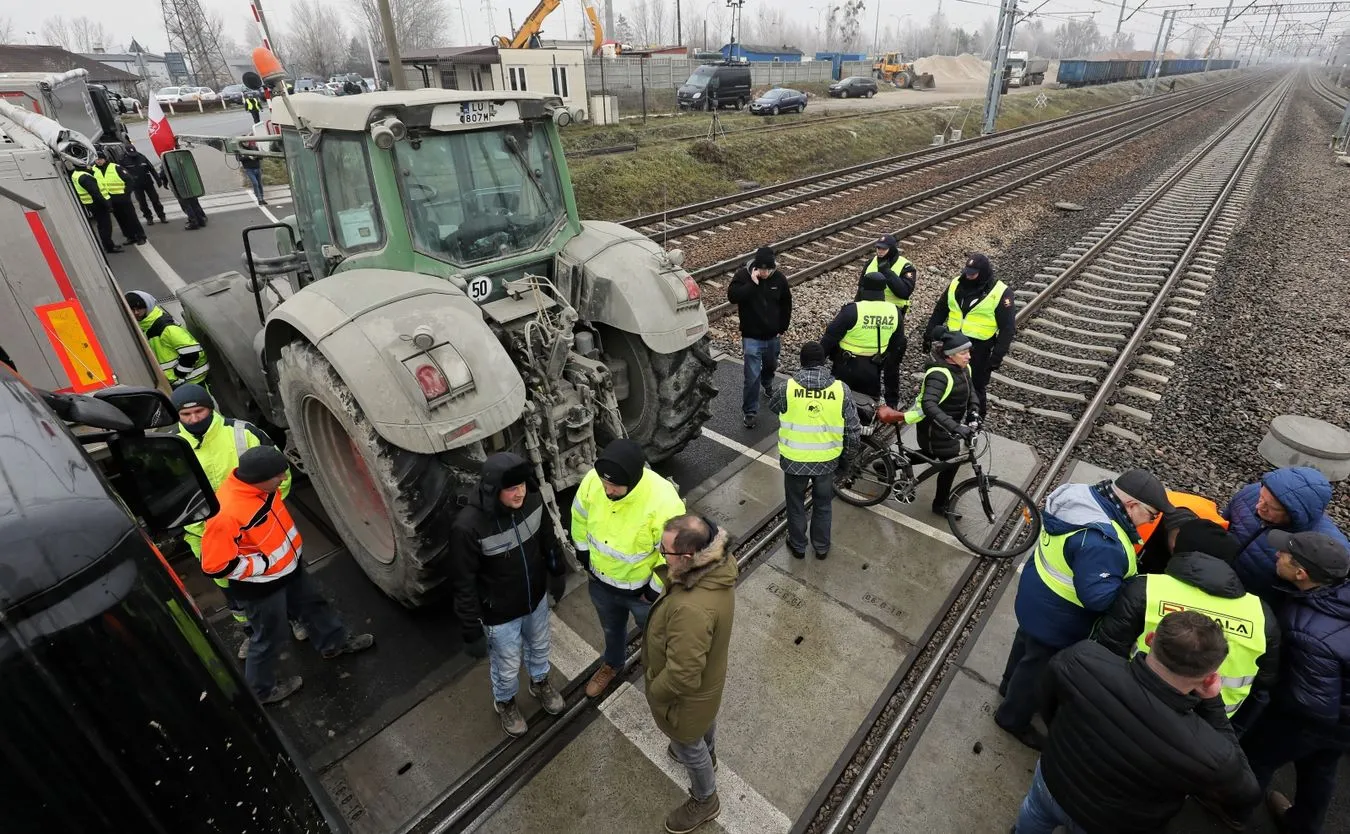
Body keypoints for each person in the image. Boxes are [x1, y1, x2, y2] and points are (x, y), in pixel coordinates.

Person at [1013, 611, 1260, 834]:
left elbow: (1047, 702)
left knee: (1032, 817)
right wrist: (1213, 705)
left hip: (1052, 780)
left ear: (1151, 639)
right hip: (1112, 823)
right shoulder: (1212, 751)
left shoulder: (1082, 658)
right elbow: (1246, 793)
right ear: (1209, 678)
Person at [997, 468, 1171, 749]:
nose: (1150, 522)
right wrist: (1131, 589)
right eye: (1151, 515)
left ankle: (1008, 686)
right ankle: (1012, 718)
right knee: (1038, 669)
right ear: (1132, 505)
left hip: (1037, 593)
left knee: (1025, 646)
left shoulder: (1077, 495)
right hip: (1060, 617)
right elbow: (1098, 598)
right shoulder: (1103, 542)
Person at [200, 446, 374, 703]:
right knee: (269, 637)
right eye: (278, 476)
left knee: (315, 606)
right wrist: (263, 567)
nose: (283, 479)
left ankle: (333, 645)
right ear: (258, 479)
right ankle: (262, 692)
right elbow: (214, 564)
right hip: (261, 587)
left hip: (290, 569)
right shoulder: (225, 513)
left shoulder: (261, 489)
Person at [1094, 518, 1280, 733]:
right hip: (1204, 729)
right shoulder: (1261, 614)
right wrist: (1230, 735)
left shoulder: (1147, 589)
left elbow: (1107, 648)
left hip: (1131, 705)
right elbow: (1262, 690)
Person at [172, 383, 307, 660]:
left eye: (199, 411)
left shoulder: (242, 433)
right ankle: (254, 635)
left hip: (258, 532)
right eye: (186, 415)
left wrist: (262, 515)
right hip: (210, 537)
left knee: (281, 578)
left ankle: (296, 619)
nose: (194, 419)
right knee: (235, 596)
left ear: (210, 408)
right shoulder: (172, 446)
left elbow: (280, 474)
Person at [1238, 531, 1350, 834]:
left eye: (1283, 555)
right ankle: (1303, 825)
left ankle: (1234, 812)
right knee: (1321, 771)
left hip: (1312, 720)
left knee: (1257, 758)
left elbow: (1310, 704)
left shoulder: (1306, 630)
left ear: (1301, 574)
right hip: (1343, 721)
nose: (1276, 556)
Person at [450, 453, 568, 737]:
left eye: (522, 486)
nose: (520, 493)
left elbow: (549, 541)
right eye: (512, 488)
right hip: (499, 615)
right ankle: (504, 701)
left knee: (540, 647)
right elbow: (463, 582)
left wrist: (557, 572)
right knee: (507, 664)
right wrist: (470, 629)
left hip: (535, 601)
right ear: (493, 490)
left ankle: (539, 683)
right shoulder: (468, 528)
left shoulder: (533, 501)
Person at [571, 438, 686, 698]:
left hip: (642, 595)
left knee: (657, 636)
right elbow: (579, 515)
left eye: (614, 487)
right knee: (612, 630)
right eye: (604, 483)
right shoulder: (593, 481)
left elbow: (674, 555)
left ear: (633, 481)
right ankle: (612, 664)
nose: (607, 490)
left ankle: (661, 675)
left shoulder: (664, 502)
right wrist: (583, 552)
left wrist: (655, 590)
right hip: (601, 584)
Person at [643, 514, 736, 834]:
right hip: (705, 691)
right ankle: (708, 756)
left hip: (685, 699)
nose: (661, 555)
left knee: (687, 744)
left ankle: (705, 799)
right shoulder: (715, 569)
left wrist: (655, 692)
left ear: (687, 557)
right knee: (701, 726)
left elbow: (682, 676)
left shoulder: (691, 608)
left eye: (664, 551)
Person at [768, 341, 860, 560]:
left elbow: (773, 407)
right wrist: (847, 460)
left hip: (794, 461)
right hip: (827, 462)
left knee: (795, 504)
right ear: (824, 362)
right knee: (823, 505)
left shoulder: (787, 388)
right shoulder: (841, 390)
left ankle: (798, 545)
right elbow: (853, 431)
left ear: (801, 362)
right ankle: (821, 547)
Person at [1224, 466, 1350, 598]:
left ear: (1295, 515)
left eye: (1271, 507)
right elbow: (1222, 526)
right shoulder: (1252, 494)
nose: (1258, 506)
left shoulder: (1327, 552)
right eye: (1261, 498)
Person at [924, 253, 1015, 419]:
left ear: (984, 273)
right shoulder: (956, 284)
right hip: (951, 343)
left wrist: (996, 357)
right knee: (948, 381)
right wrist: (929, 334)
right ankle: (947, 418)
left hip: (978, 348)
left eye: (973, 273)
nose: (969, 276)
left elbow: (1007, 329)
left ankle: (975, 421)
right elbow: (940, 310)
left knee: (976, 386)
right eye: (967, 272)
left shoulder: (1001, 292)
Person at [901, 331, 979, 516]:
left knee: (934, 455)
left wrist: (974, 412)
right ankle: (940, 506)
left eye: (969, 351)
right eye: (963, 353)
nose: (968, 356)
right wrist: (956, 427)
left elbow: (971, 392)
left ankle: (893, 463)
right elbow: (929, 404)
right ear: (950, 355)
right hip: (933, 426)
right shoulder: (939, 375)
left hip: (946, 425)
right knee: (950, 461)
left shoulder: (964, 368)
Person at [820, 271, 906, 411]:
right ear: (883, 289)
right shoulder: (894, 312)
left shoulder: (853, 310)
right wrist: (892, 399)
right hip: (873, 368)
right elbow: (897, 347)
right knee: (866, 407)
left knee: (838, 405)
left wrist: (815, 364)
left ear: (863, 287)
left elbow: (829, 338)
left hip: (846, 366)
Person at [726, 246, 791, 429]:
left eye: (768, 270)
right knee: (751, 376)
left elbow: (786, 303)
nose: (764, 273)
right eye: (761, 269)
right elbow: (733, 297)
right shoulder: (742, 276)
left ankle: (768, 382)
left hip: (772, 336)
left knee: (771, 365)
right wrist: (752, 284)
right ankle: (750, 411)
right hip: (751, 337)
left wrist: (782, 328)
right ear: (755, 267)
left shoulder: (780, 279)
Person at [124, 291, 210, 388]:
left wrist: (179, 374)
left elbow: (192, 352)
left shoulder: (165, 328)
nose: (136, 313)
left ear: (148, 306)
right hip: (184, 382)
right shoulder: (148, 325)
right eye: (132, 309)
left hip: (192, 382)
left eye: (140, 308)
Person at [854, 234, 916, 364]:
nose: (879, 251)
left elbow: (904, 292)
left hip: (893, 314)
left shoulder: (906, 266)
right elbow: (861, 290)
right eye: (878, 248)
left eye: (883, 249)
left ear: (892, 249)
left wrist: (887, 272)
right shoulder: (870, 263)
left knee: (892, 353)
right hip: (870, 312)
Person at [93, 151, 146, 246]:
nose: (98, 161)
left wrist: (126, 194)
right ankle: (130, 237)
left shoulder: (115, 167)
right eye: (97, 159)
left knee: (131, 218)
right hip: (110, 200)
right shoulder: (94, 170)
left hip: (123, 199)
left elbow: (129, 180)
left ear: (105, 159)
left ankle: (140, 236)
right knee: (121, 220)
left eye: (100, 159)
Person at [70, 158, 120, 254]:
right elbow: (96, 193)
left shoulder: (75, 174)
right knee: (106, 226)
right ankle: (110, 247)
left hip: (90, 203)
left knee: (101, 225)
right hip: (97, 204)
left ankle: (107, 245)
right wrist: (107, 205)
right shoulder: (85, 177)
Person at [162, 141, 208, 230]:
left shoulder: (168, 158)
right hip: (189, 184)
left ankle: (193, 222)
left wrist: (164, 182)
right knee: (194, 202)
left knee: (186, 205)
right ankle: (201, 220)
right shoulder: (184, 156)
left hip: (179, 187)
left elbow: (164, 173)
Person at [119, 142, 168, 226]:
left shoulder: (142, 157)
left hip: (148, 183)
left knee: (155, 200)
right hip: (136, 186)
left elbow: (151, 169)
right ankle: (148, 217)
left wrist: (158, 180)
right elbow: (121, 174)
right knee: (142, 203)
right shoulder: (123, 160)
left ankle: (162, 216)